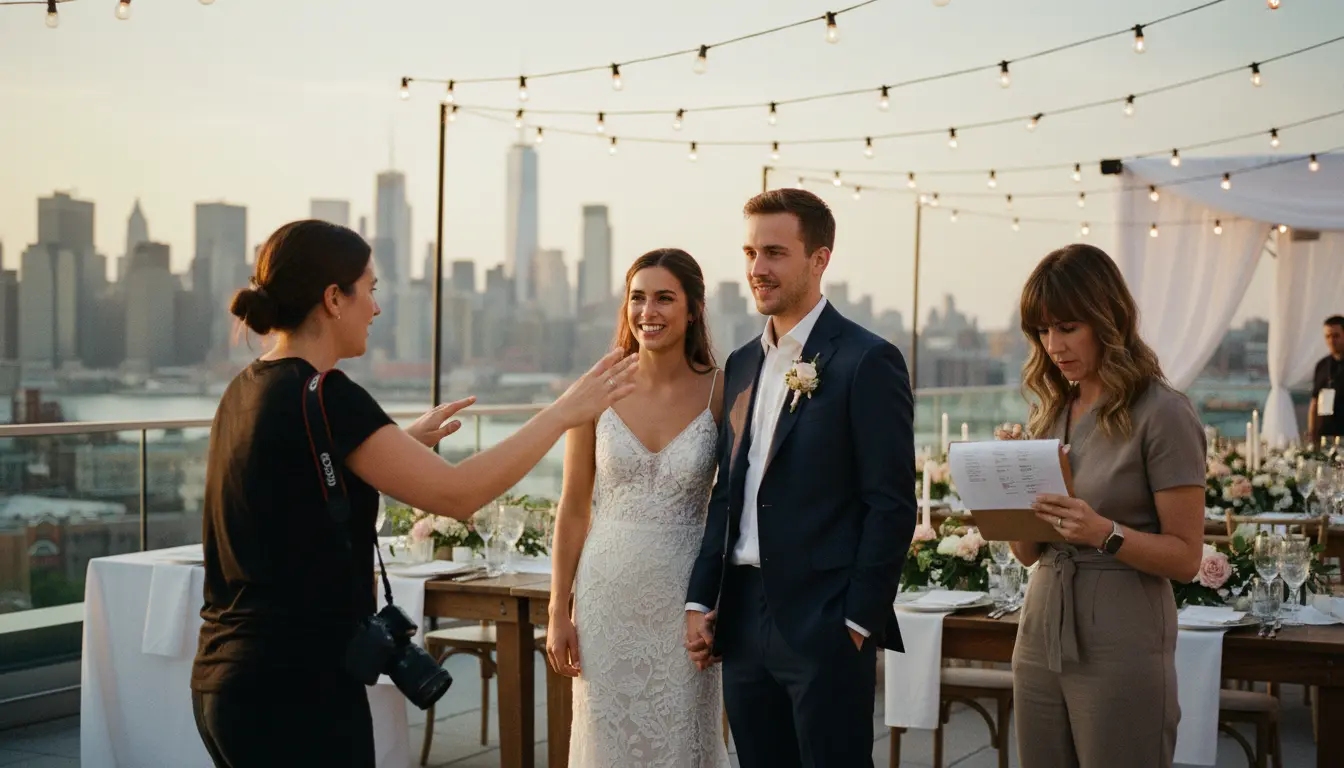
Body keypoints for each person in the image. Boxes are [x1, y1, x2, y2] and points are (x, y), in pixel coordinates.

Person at [189, 220, 638, 768]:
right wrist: (565, 412)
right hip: (297, 692)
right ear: (334, 298)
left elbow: (290, 490)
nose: (376, 309)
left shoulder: (245, 389)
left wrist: (397, 445)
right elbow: (459, 494)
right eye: (370, 290)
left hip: (226, 681)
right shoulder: (330, 397)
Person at [683, 189, 916, 768]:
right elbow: (727, 494)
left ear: (819, 260)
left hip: (826, 624)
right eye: (750, 252)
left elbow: (891, 505)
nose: (758, 269)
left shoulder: (867, 360)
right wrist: (699, 598)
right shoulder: (740, 364)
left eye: (775, 253)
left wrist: (857, 622)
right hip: (740, 619)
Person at [1009, 243, 1206, 768]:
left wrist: (1103, 532)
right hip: (1040, 627)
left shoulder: (1164, 413)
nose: (1053, 345)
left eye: (1068, 327)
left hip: (1122, 634)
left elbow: (1187, 557)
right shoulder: (1051, 412)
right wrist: (1009, 478)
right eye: (1042, 331)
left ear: (1107, 319)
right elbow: (1027, 552)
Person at [546, 248, 730, 767]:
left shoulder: (721, 391)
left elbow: (733, 503)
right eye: (638, 298)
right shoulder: (597, 388)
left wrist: (721, 602)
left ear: (693, 308)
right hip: (606, 598)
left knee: (682, 739)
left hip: (686, 601)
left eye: (664, 298)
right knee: (608, 741)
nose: (648, 311)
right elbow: (573, 507)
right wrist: (560, 608)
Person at [1308, 314, 1344, 447]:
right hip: (1326, 437)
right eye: (1327, 336)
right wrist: (1313, 435)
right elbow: (1315, 402)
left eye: (1336, 336)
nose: (1331, 341)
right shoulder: (1322, 365)